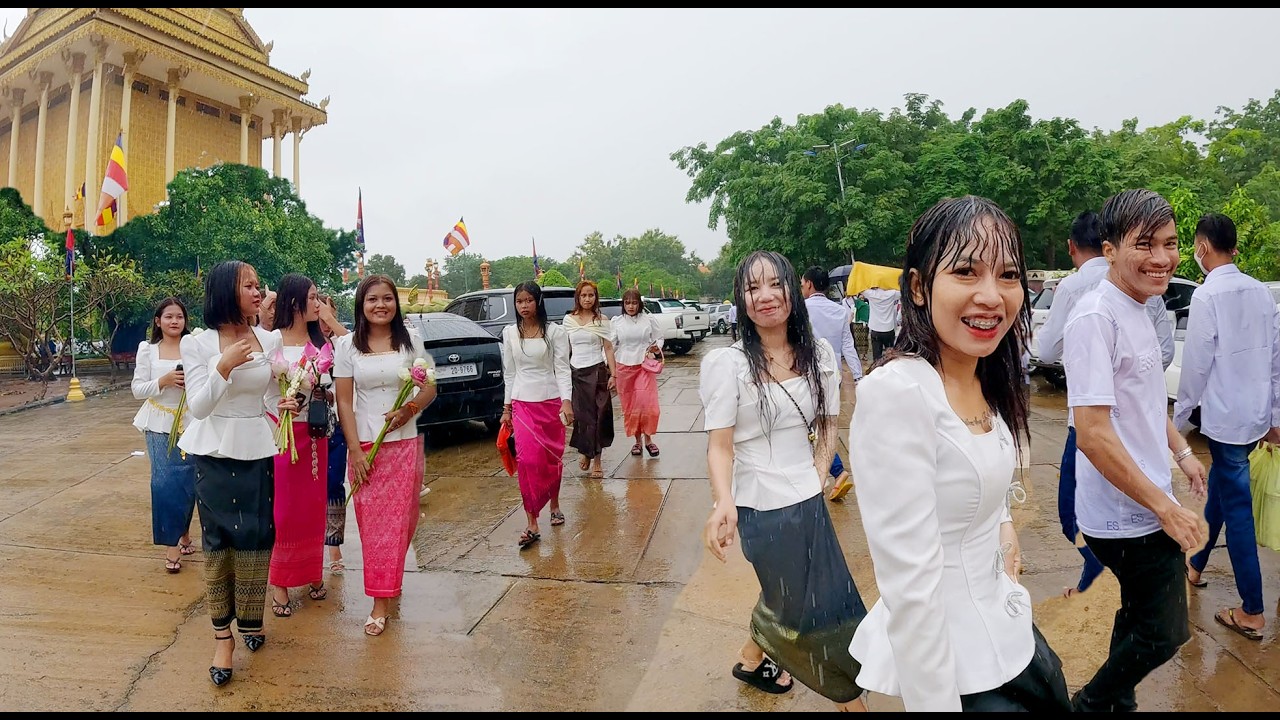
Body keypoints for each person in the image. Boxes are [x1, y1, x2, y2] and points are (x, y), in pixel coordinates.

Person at [848, 195, 1071, 712]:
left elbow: (977, 477)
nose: (991, 296)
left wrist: (1003, 523)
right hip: (955, 666)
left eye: (1008, 275)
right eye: (966, 272)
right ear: (919, 287)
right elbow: (911, 591)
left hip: (1009, 629)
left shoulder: (985, 377)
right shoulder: (898, 394)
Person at [701, 250, 868, 711]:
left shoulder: (820, 354)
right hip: (760, 506)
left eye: (775, 284)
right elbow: (720, 446)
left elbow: (829, 424)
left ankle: (751, 658)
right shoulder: (728, 365)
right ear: (741, 299)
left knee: (794, 595)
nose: (765, 295)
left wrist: (817, 474)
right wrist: (723, 501)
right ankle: (851, 701)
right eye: (752, 287)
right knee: (819, 609)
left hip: (808, 499)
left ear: (793, 290)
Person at [1063, 189, 1208, 712]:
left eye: (1170, 243)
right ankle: (1090, 705)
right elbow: (1092, 434)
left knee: (1137, 614)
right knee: (1165, 632)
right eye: (1144, 244)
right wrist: (1165, 508)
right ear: (1109, 250)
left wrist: (1183, 454)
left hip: (1146, 501)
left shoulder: (1140, 307)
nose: (1162, 257)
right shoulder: (1095, 318)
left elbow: (1145, 404)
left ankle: (1115, 705)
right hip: (1127, 515)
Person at [1038, 210, 1177, 598]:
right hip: (1138, 426)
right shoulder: (1145, 286)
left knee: (1074, 514)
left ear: (1072, 247)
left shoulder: (1075, 290)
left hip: (1089, 422)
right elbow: (1163, 352)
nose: (1159, 257)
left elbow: (1046, 351)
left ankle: (1099, 571)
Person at [178, 260, 289, 686]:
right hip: (214, 451)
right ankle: (222, 638)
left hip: (256, 448)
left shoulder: (267, 338)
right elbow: (198, 407)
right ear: (227, 290)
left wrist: (288, 399)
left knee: (257, 535)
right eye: (249, 285)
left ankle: (251, 619)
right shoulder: (198, 343)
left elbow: (272, 391)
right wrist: (223, 366)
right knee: (219, 541)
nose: (258, 292)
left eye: (259, 285)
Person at [1177, 213, 1280, 641]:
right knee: (1223, 485)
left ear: (1202, 247)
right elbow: (1275, 360)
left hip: (1225, 419)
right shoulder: (1261, 293)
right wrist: (1274, 417)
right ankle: (1196, 563)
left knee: (1237, 510)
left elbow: (1196, 366)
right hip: (1254, 417)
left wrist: (1178, 421)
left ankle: (1252, 611)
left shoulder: (1207, 296)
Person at [334, 274, 435, 637]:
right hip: (365, 447)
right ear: (361, 305)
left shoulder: (411, 341)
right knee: (375, 528)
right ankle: (380, 602)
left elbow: (430, 387)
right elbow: (343, 401)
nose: (381, 305)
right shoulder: (347, 346)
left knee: (401, 524)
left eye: (387, 299)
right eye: (372, 299)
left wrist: (409, 409)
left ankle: (390, 579)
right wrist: (354, 450)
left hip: (404, 444)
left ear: (396, 302)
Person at [264, 274, 332, 618]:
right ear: (294, 302)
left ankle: (312, 572)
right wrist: (280, 404)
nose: (318, 304)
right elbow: (259, 389)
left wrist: (318, 392)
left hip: (314, 437)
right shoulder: (270, 342)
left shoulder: (321, 345)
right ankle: (280, 582)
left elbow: (332, 390)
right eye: (313, 298)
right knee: (284, 510)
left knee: (312, 507)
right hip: (279, 434)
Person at [500, 281, 573, 548]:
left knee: (552, 459)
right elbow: (509, 373)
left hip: (551, 401)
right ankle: (532, 521)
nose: (524, 306)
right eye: (519, 301)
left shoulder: (555, 332)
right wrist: (507, 408)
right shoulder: (509, 333)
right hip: (522, 404)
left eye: (529, 300)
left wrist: (567, 401)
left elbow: (562, 368)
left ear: (538, 302)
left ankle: (554, 504)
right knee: (528, 461)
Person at [131, 297, 196, 574]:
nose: (174, 321)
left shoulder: (195, 347)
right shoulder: (147, 350)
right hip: (159, 422)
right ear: (158, 321)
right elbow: (137, 389)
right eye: (168, 316)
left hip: (192, 421)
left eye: (179, 316)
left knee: (190, 481)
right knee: (164, 482)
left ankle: (183, 531)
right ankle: (171, 544)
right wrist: (163, 381)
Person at [799, 266, 863, 502]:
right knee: (824, 425)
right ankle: (833, 471)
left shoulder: (801, 309)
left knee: (806, 426)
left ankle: (830, 471)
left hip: (806, 373)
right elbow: (848, 346)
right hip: (832, 375)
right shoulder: (839, 311)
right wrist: (858, 376)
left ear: (809, 284)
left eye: (802, 284)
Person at [562, 280, 617, 479]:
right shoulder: (568, 320)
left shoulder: (602, 320)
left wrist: (614, 375)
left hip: (598, 372)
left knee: (599, 417)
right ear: (578, 297)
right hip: (577, 374)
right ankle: (586, 451)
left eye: (591, 295)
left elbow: (608, 348)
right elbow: (564, 350)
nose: (587, 299)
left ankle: (597, 462)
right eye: (583, 295)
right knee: (583, 418)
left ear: (596, 297)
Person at [611, 288, 663, 458]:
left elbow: (659, 338)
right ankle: (637, 441)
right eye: (627, 303)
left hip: (644, 366)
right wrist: (609, 367)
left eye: (634, 303)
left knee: (647, 404)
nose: (631, 306)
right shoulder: (617, 322)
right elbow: (610, 346)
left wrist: (656, 347)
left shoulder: (648, 319)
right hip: (623, 367)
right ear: (623, 305)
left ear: (639, 304)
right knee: (631, 407)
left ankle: (649, 439)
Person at [318, 295, 350, 575]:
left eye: (329, 317)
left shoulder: (341, 345)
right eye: (320, 317)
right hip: (307, 427)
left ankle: (334, 546)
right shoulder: (299, 344)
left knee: (333, 483)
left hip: (337, 425)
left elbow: (353, 344)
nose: (326, 323)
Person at [861, 284, 900, 361]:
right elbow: (903, 291)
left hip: (875, 329)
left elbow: (861, 289)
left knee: (876, 357)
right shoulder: (892, 293)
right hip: (888, 329)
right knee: (890, 356)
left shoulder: (871, 294)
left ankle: (877, 367)